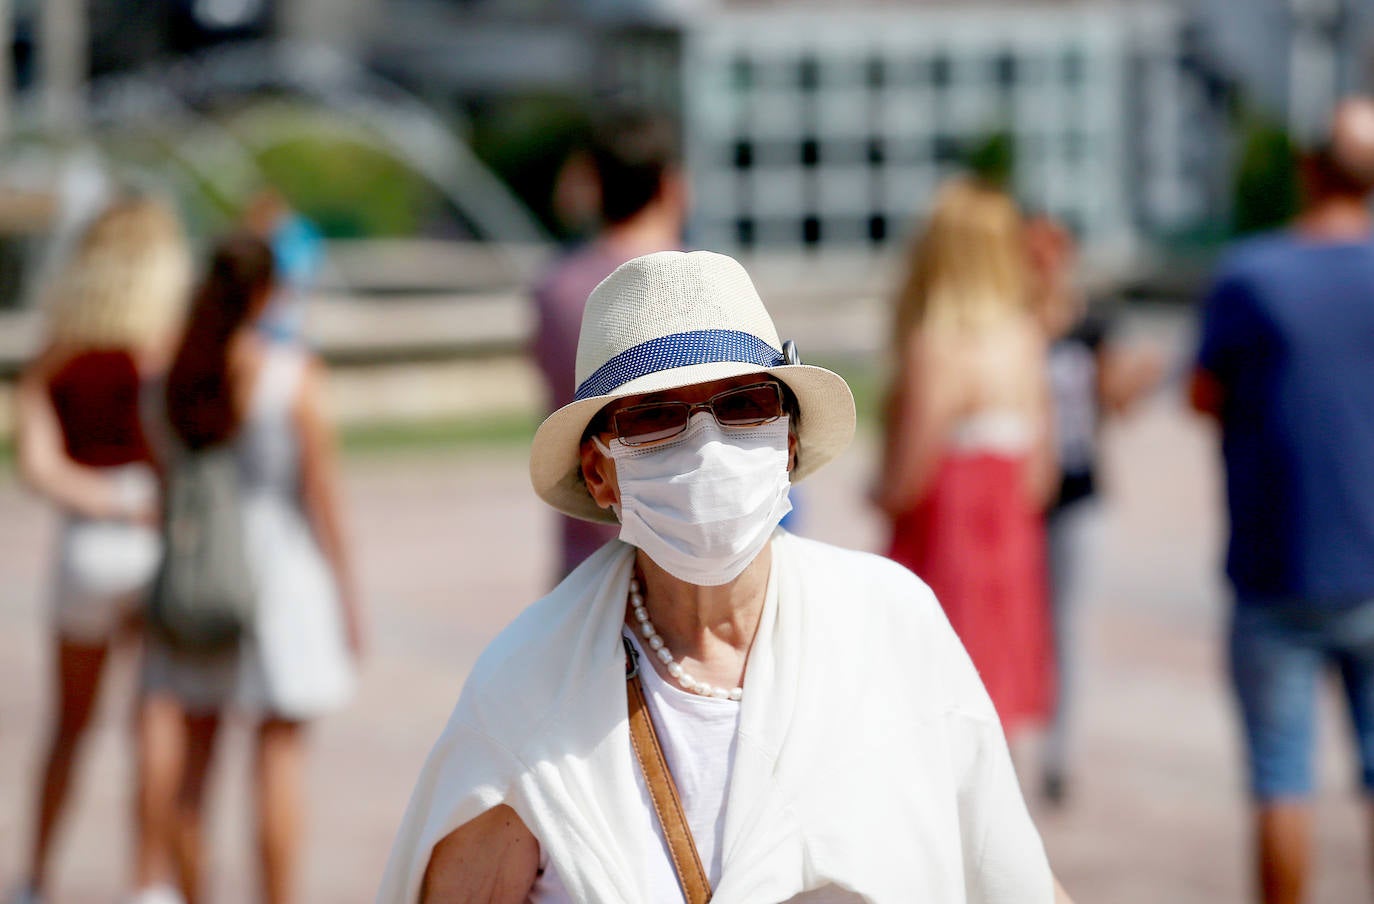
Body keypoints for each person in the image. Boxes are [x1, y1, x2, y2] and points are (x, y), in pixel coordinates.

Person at [378, 250, 1075, 903]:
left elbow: (1010, 878)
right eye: (656, 416)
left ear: (790, 439)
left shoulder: (889, 625)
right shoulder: (526, 694)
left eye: (745, 405)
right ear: (599, 472)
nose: (707, 445)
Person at [139, 235, 364, 904]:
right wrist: (349, 596)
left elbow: (162, 485)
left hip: (198, 576)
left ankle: (192, 892)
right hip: (284, 580)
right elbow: (323, 500)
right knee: (278, 762)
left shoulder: (170, 379)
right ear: (267, 292)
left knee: (194, 766)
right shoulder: (289, 375)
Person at [1190, 97, 1374, 904]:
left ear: (1309, 168)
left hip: (1277, 563)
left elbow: (1204, 395)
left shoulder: (1251, 275)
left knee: (1280, 778)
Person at [9, 197, 192, 904]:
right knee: (155, 717)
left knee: (68, 725)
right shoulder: (168, 346)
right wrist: (140, 502)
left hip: (87, 545)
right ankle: (147, 882)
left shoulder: (62, 349)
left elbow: (38, 464)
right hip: (153, 538)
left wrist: (99, 502)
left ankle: (34, 877)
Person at [872, 178, 1056, 741]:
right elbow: (1040, 477)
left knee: (934, 700)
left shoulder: (938, 344)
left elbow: (908, 476)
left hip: (946, 543)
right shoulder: (1025, 337)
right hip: (1010, 544)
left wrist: (879, 492)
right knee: (997, 707)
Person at [1025, 213, 1164, 804]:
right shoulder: (1010, 323)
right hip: (1019, 498)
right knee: (1015, 622)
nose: (1044, 259)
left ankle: (1060, 755)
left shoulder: (1091, 322)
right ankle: (1009, 744)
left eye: (1054, 247)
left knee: (1068, 626)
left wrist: (1145, 376)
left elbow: (1113, 404)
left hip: (1077, 491)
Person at [531, 107, 688, 580]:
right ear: (670, 184)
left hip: (589, 544)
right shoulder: (704, 284)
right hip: (685, 546)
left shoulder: (555, 290)